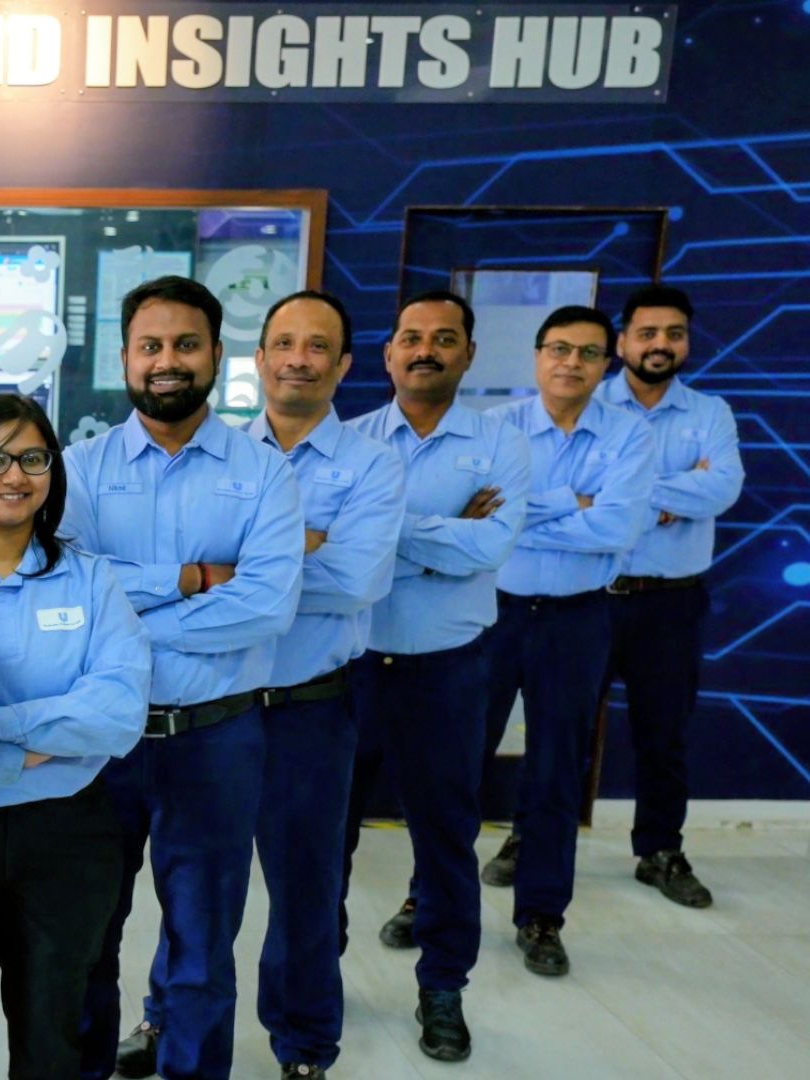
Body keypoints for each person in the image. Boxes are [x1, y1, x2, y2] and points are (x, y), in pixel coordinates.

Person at [65, 276, 303, 1080]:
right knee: (85, 939)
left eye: (186, 344)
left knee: (202, 946)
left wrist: (125, 614)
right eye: (151, 345)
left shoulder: (264, 472)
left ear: (216, 355)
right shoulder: (79, 470)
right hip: (101, 740)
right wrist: (195, 579)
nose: (167, 360)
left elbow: (266, 605)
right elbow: (70, 593)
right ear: (125, 359)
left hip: (216, 738)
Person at [0, 393, 150, 1080]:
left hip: (66, 836)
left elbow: (118, 712)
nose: (14, 476)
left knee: (54, 1032)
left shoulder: (89, 579)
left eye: (32, 459)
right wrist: (54, 732)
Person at [344, 290, 528, 1063]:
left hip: (449, 670)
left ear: (468, 354)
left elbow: (489, 549)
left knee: (448, 837)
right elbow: (326, 547)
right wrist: (444, 531)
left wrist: (381, 533)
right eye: (411, 337)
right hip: (349, 669)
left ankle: (443, 987)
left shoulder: (503, 444)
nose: (426, 349)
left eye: (444, 338)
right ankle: (316, 975)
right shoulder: (349, 442)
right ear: (388, 353)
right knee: (325, 836)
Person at [245, 291, 405, 1080]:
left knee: (307, 890)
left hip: (310, 709)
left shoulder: (373, 463)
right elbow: (172, 571)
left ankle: (305, 1043)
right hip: (212, 711)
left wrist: (242, 565)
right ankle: (166, 1017)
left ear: (342, 365)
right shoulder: (219, 454)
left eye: (317, 347)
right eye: (284, 343)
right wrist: (304, 542)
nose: (298, 360)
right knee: (190, 886)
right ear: (259, 359)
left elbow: (357, 579)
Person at [481, 306, 653, 978]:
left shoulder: (630, 435)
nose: (571, 363)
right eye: (559, 349)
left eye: (587, 352)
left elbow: (617, 528)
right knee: (457, 763)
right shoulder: (495, 428)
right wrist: (574, 502)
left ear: (607, 364)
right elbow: (484, 521)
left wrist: (528, 512)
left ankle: (541, 916)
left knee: (556, 772)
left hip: (578, 619)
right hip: (492, 613)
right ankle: (426, 899)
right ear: (537, 356)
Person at [597, 285, 743, 908]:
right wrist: (675, 491)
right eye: (648, 333)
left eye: (674, 334)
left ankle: (660, 850)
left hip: (670, 603)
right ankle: (530, 840)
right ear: (622, 341)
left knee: (664, 735)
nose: (661, 344)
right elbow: (565, 489)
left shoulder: (711, 413)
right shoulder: (587, 406)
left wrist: (620, 495)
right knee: (560, 730)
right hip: (588, 598)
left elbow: (723, 490)